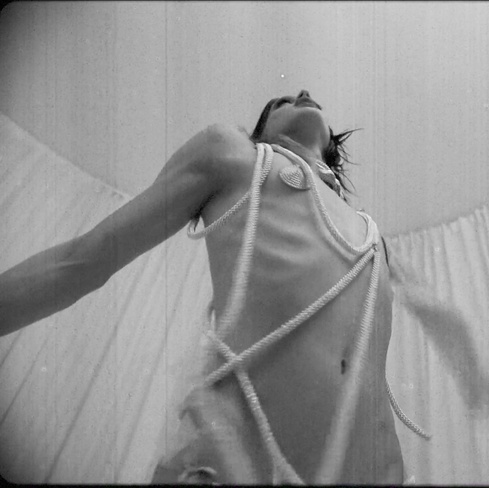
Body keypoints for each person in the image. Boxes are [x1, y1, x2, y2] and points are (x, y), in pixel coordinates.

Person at [0, 90, 426, 484]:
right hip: (237, 468)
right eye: (280, 101)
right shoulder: (234, 154)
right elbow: (82, 261)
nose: (301, 95)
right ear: (260, 132)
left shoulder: (372, 236)